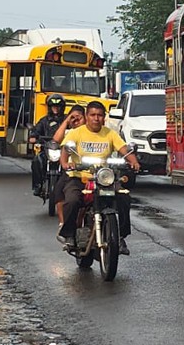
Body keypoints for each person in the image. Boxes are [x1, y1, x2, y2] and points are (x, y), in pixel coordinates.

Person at [57, 101, 140, 255]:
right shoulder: (76, 133)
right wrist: (65, 163)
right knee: (73, 200)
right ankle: (68, 235)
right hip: (80, 178)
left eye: (100, 115)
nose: (96, 118)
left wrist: (133, 161)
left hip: (104, 178)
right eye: (93, 115)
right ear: (87, 117)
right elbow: (66, 149)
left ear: (104, 118)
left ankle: (121, 237)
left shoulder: (110, 134)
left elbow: (123, 149)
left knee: (123, 198)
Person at [51, 104, 85, 226]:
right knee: (58, 191)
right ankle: (63, 223)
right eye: (73, 117)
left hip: (93, 171)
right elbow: (56, 140)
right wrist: (67, 121)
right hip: (71, 171)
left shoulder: (91, 131)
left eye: (79, 117)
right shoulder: (68, 132)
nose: (76, 120)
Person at [28, 94, 67, 196]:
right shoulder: (44, 120)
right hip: (47, 149)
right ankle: (38, 185)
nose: (56, 109)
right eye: (53, 106)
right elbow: (36, 130)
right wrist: (33, 136)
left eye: (58, 106)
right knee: (36, 161)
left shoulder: (67, 120)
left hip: (63, 150)